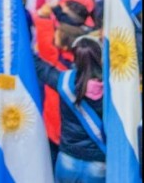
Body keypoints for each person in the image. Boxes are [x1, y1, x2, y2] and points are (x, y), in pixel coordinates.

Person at [35, 36, 105, 183]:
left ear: (75, 59)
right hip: (99, 163)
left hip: (68, 159)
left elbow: (40, 67)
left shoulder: (64, 82)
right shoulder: (112, 91)